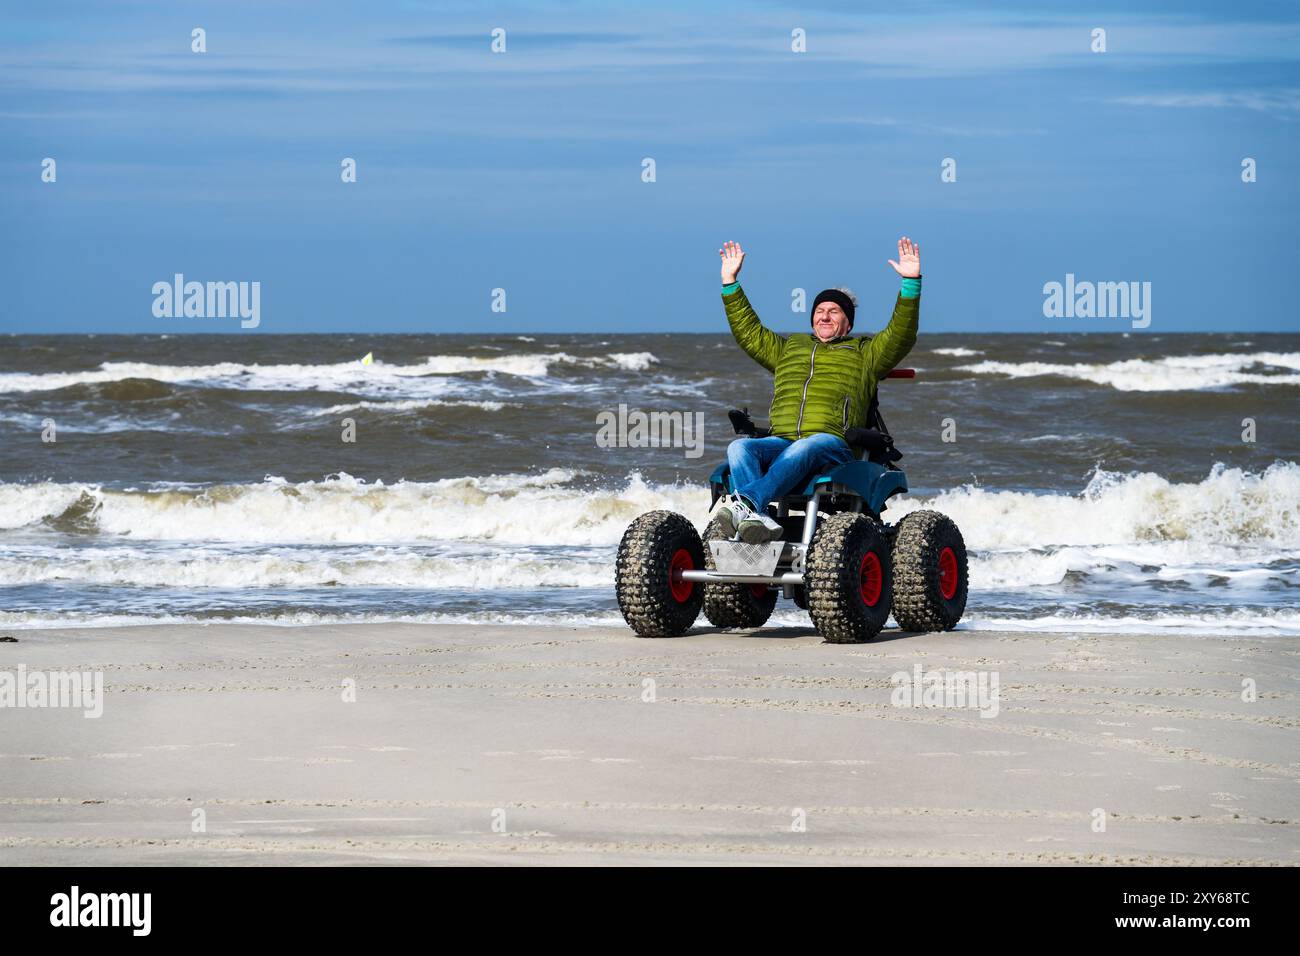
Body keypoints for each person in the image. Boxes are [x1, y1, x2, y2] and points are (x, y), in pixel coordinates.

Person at [715, 237, 922, 542]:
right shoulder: (790, 348)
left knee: (805, 446)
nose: (824, 315)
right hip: (783, 440)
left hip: (832, 445)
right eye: (819, 310)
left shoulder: (866, 353)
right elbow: (749, 333)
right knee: (739, 448)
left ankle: (746, 504)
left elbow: (901, 335)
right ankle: (757, 522)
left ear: (848, 323)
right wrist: (730, 282)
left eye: (834, 311)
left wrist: (910, 282)